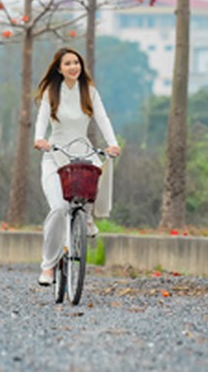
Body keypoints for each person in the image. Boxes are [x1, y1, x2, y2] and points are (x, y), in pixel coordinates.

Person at [32, 46, 121, 286]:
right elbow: (41, 119)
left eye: (77, 62)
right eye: (68, 63)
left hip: (83, 152)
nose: (74, 67)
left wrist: (112, 143)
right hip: (55, 155)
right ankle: (48, 266)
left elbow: (102, 118)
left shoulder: (88, 91)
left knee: (100, 170)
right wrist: (39, 139)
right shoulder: (52, 92)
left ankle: (88, 215)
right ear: (59, 70)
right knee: (59, 209)